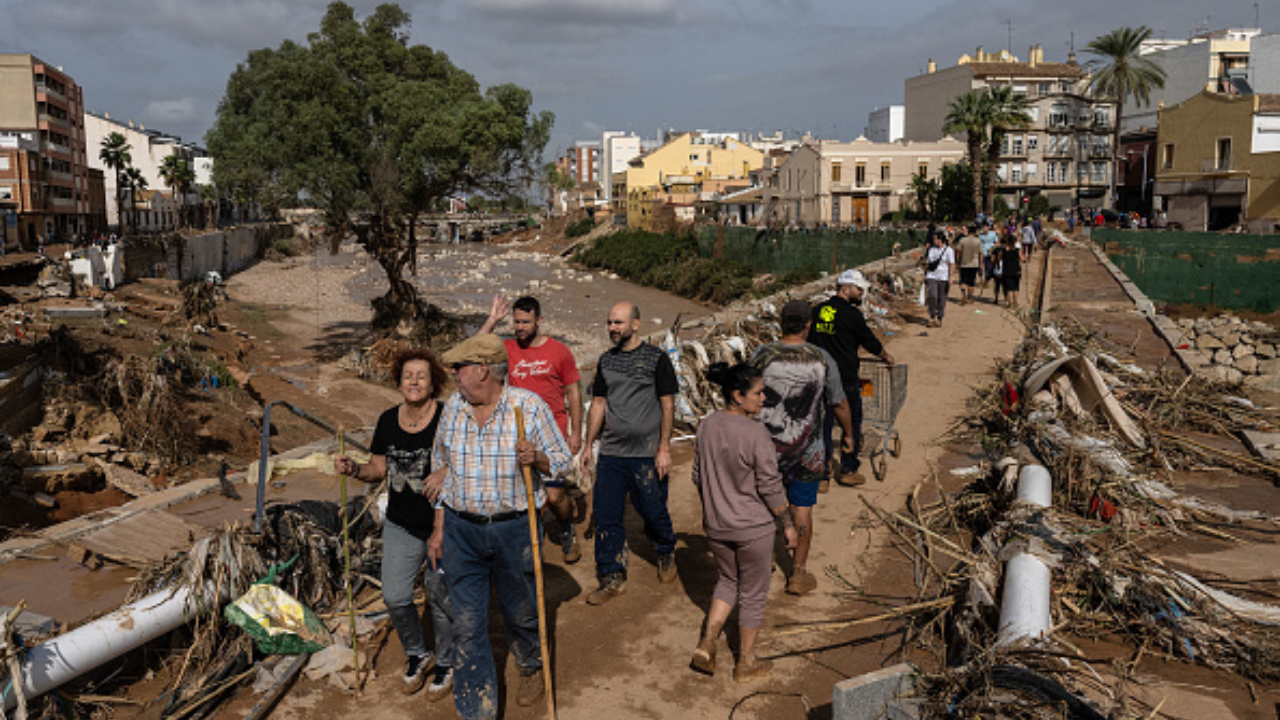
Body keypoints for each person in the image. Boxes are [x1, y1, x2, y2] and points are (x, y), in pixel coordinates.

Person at [429, 333, 572, 719]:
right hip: (462, 529)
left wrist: (539, 458)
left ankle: (529, 665)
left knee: (522, 608)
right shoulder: (454, 409)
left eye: (459, 369)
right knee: (468, 621)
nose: (454, 376)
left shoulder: (528, 407)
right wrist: (440, 524)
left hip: (514, 529)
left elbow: (564, 462)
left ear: (482, 370)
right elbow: (440, 465)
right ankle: (478, 706)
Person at [333, 348, 456, 701]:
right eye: (407, 376)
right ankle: (418, 652)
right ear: (399, 381)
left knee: (439, 595)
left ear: (434, 383)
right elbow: (378, 470)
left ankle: (447, 662)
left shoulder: (448, 418)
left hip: (442, 521)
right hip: (401, 521)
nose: (414, 381)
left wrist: (446, 469)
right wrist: (355, 469)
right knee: (396, 596)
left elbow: (465, 456)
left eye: (421, 376)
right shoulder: (388, 420)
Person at [689, 362, 797, 682]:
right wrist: (787, 523)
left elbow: (697, 475)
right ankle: (746, 662)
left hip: (717, 525)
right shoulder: (755, 433)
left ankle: (708, 642)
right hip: (753, 527)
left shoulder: (707, 425)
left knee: (727, 580)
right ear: (738, 396)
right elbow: (769, 485)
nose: (764, 398)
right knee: (753, 593)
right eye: (758, 392)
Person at [751, 299, 854, 596]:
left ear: (781, 323)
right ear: (809, 325)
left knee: (761, 505)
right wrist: (848, 435)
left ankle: (764, 560)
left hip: (764, 447)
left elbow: (744, 395)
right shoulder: (822, 359)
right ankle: (797, 574)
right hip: (808, 450)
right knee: (802, 510)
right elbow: (839, 403)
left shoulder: (762, 354)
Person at [580, 302, 680, 605]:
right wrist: (588, 445)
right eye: (610, 322)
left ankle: (665, 551)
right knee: (607, 515)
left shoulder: (656, 359)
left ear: (636, 324)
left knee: (653, 510)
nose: (612, 328)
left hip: (647, 453)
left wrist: (664, 448)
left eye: (619, 323)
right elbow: (598, 404)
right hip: (611, 452)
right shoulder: (606, 362)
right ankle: (612, 575)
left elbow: (667, 405)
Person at [478, 294, 585, 564]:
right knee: (518, 493)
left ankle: (566, 527)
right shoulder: (508, 349)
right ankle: (523, 548)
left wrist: (575, 433)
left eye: (525, 322)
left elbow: (573, 391)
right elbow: (474, 350)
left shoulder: (559, 351)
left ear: (539, 321)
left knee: (554, 494)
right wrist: (492, 320)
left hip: (553, 433)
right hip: (517, 435)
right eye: (516, 322)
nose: (520, 327)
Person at [807, 269, 893, 489]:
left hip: (819, 376)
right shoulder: (851, 315)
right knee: (851, 423)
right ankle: (848, 468)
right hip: (845, 377)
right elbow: (868, 340)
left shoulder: (817, 310)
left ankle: (822, 474)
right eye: (858, 288)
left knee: (822, 426)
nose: (861, 292)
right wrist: (885, 355)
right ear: (845, 289)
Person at [923, 230, 955, 328]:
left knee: (942, 298)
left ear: (940, 239)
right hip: (931, 276)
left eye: (935, 239)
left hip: (943, 277)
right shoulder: (931, 250)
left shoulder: (949, 250)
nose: (934, 240)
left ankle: (940, 317)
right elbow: (927, 264)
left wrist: (951, 277)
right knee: (932, 296)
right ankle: (932, 316)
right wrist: (924, 275)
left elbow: (952, 264)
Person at [956, 224, 983, 305]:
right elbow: (980, 253)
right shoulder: (978, 241)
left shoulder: (962, 240)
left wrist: (957, 262)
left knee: (963, 281)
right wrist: (981, 264)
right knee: (971, 281)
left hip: (964, 263)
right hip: (974, 263)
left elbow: (958, 252)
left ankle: (964, 294)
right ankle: (970, 296)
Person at [997, 235, 1022, 308]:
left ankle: (1010, 302)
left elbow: (998, 258)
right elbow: (1022, 259)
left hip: (1007, 270)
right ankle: (1015, 301)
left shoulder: (1003, 250)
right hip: (1016, 270)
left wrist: (998, 266)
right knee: (1015, 287)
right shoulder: (1017, 250)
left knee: (1009, 287)